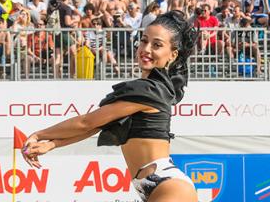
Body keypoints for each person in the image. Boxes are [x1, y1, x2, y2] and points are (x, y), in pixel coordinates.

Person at [21, 11, 199, 202]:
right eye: (144, 41)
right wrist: (51, 144)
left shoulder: (150, 89)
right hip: (157, 186)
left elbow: (86, 122)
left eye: (157, 45)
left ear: (172, 55)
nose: (146, 49)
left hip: (170, 187)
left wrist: (39, 134)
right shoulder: (152, 88)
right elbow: (96, 126)